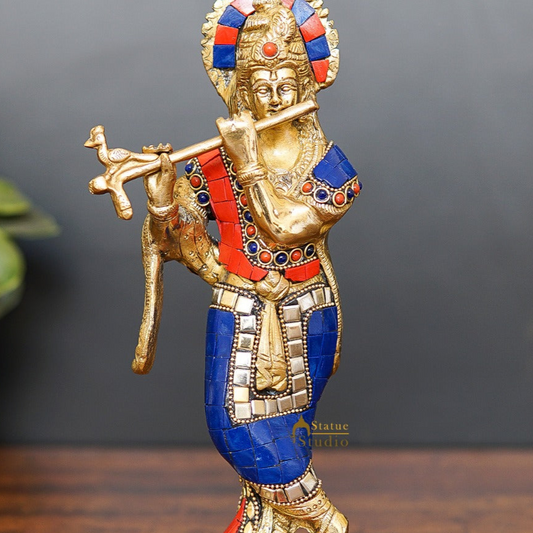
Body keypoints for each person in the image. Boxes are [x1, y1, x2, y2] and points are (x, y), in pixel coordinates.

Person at [141, 0, 361, 531]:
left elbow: (285, 227)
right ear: (243, 92)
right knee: (231, 426)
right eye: (262, 87)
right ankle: (309, 520)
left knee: (284, 433)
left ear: (304, 87)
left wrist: (249, 163)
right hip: (238, 302)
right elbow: (186, 243)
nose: (275, 97)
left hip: (305, 309)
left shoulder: (330, 166)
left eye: (286, 84)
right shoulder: (212, 162)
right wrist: (163, 201)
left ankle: (307, 521)